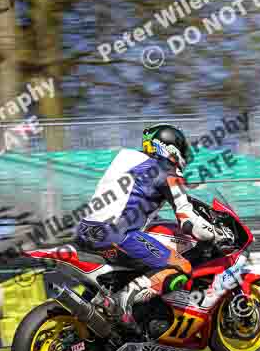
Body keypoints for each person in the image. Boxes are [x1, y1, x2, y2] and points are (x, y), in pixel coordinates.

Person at [74, 124, 231, 335]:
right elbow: (188, 220)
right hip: (116, 235)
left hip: (85, 231)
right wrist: (215, 233)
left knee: (144, 257)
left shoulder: (125, 159)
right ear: (171, 148)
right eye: (182, 149)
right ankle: (125, 299)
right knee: (181, 265)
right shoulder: (167, 172)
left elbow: (129, 202)